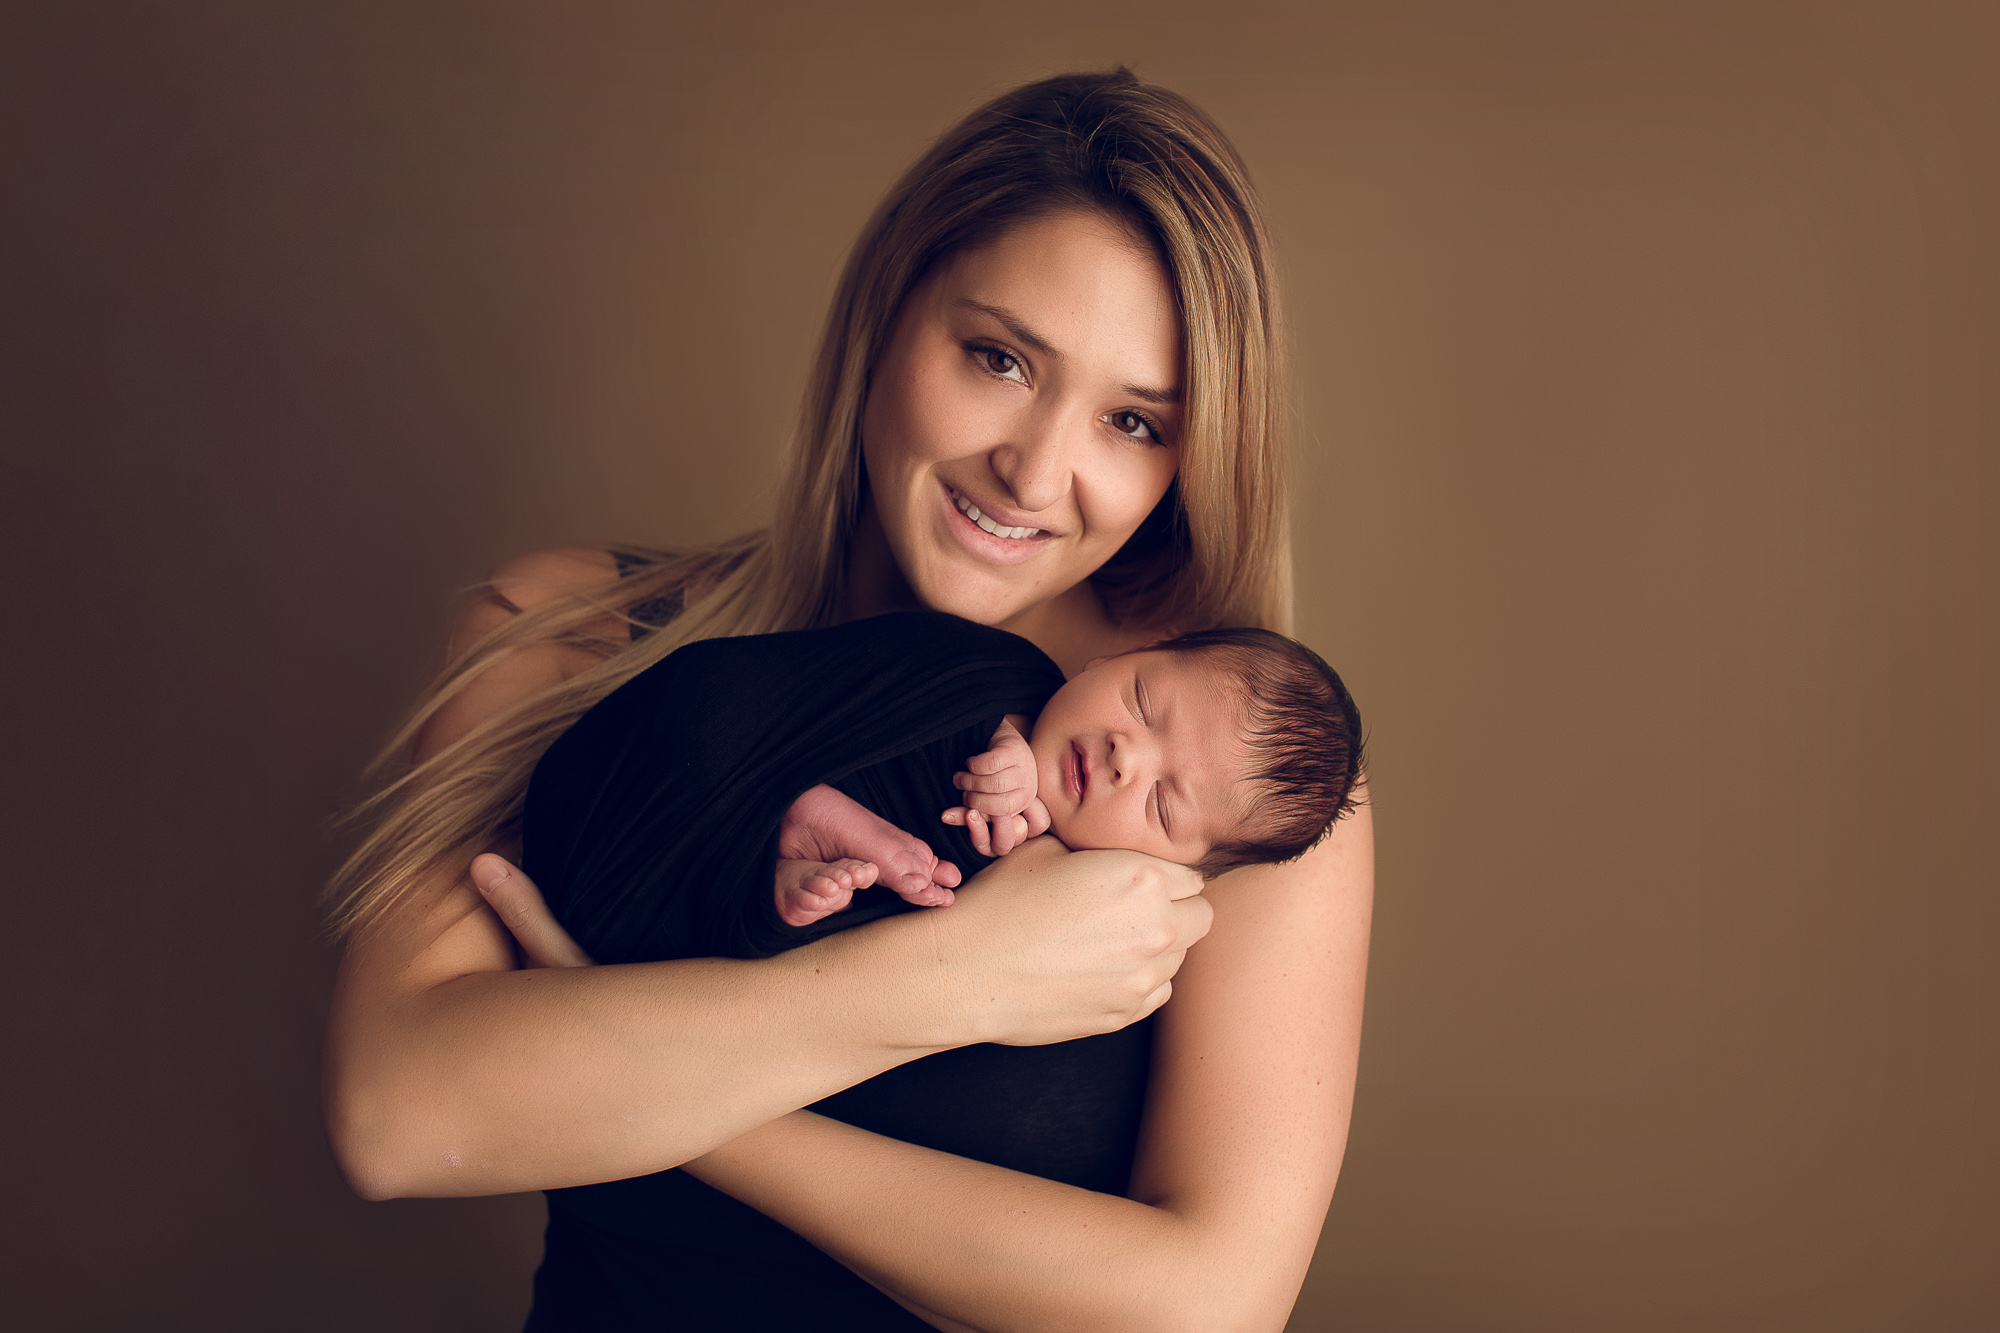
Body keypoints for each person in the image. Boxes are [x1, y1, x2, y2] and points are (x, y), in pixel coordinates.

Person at [323, 68, 1374, 1331]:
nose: (1037, 471)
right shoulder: (571, 628)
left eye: (1134, 423)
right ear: (887, 316)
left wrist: (666, 1097)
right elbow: (398, 1113)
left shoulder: (1228, 783)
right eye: (998, 358)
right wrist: (949, 979)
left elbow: (1201, 1305)